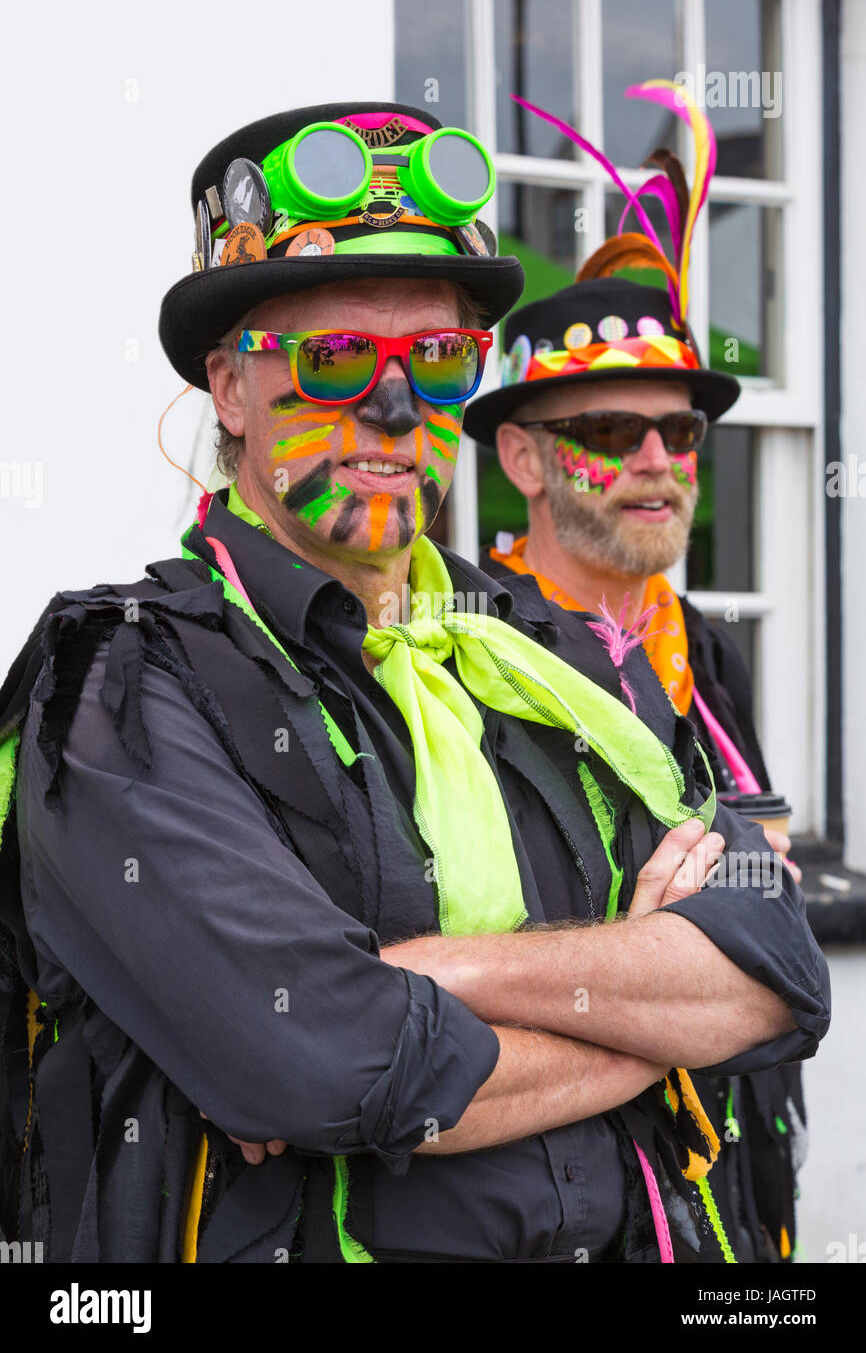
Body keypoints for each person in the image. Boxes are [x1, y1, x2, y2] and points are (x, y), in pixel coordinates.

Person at [0, 101, 828, 1265]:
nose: (393, 408)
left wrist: (439, 976)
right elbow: (330, 1065)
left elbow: (777, 969)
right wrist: (659, 1014)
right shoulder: (127, 686)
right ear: (231, 393)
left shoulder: (558, 656)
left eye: (435, 359)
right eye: (333, 358)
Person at [464, 82, 808, 1261]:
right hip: (545, 1183)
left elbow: (776, 924)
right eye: (611, 435)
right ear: (522, 456)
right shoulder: (458, 642)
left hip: (729, 1164)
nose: (657, 462)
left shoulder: (701, 646)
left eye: (680, 432)